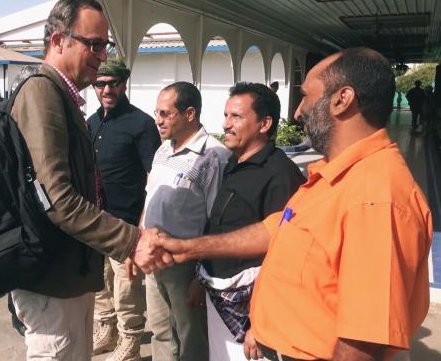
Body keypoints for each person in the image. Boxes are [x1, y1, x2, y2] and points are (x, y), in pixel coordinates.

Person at [158, 47, 433, 361]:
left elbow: (363, 343)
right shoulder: (335, 177)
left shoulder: (375, 198)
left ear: (342, 100)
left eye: (307, 97)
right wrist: (189, 248)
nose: (299, 111)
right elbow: (274, 229)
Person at [8, 0, 169, 360]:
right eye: (93, 44)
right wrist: (132, 241)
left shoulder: (67, 98)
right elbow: (57, 198)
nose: (100, 55)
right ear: (57, 41)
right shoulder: (41, 91)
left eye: (105, 44)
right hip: (51, 276)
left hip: (71, 271)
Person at [197, 82, 304, 361]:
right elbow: (221, 226)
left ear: (264, 123)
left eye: (236, 117)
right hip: (220, 299)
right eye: (225, 115)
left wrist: (260, 324)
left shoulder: (280, 175)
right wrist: (201, 277)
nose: (226, 124)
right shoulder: (234, 163)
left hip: (251, 315)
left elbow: (284, 257)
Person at [138, 81, 230, 361]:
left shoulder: (213, 156)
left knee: (191, 337)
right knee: (161, 332)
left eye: (166, 113)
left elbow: (217, 220)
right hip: (153, 259)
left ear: (190, 114)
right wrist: (138, 241)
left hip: (185, 266)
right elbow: (149, 198)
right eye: (157, 112)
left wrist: (201, 278)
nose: (158, 120)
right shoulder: (163, 150)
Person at [87, 58, 160, 361]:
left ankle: (130, 338)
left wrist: (142, 223)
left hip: (126, 221)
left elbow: (154, 176)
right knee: (100, 281)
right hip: (94, 219)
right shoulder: (91, 123)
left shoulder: (141, 124)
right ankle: (108, 328)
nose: (106, 89)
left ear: (123, 84)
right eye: (100, 84)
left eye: (112, 83)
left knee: (126, 284)